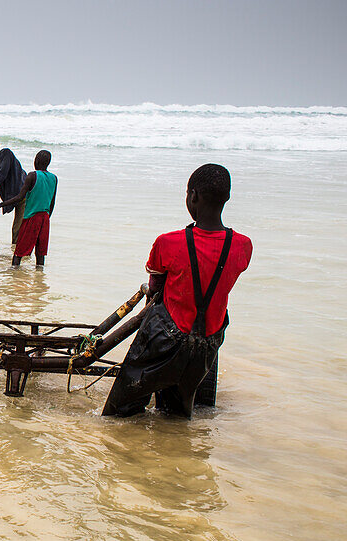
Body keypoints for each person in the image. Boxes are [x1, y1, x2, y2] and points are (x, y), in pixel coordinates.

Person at [103, 163, 253, 418]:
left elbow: (155, 287)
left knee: (120, 413)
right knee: (178, 415)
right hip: (207, 343)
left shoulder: (168, 242)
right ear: (226, 198)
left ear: (192, 196)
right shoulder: (243, 246)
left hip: (166, 339)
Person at [0, 150, 57, 267]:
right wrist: (46, 218)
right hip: (45, 218)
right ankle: (39, 280)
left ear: (36, 160)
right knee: (40, 254)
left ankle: (14, 277)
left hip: (31, 217)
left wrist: (0, 204)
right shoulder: (54, 178)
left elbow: (19, 197)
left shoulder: (32, 175)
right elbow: (52, 203)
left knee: (19, 252)